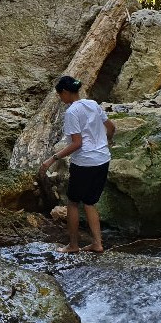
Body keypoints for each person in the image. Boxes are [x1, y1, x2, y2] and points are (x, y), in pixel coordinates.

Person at [39, 76, 115, 253]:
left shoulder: (72, 112)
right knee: (89, 202)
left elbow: (77, 143)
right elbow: (111, 128)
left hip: (84, 163)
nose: (60, 98)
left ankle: (73, 245)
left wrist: (52, 159)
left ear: (65, 92)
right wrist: (105, 143)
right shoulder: (93, 104)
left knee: (73, 202)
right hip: (102, 159)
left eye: (60, 95)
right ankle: (97, 243)